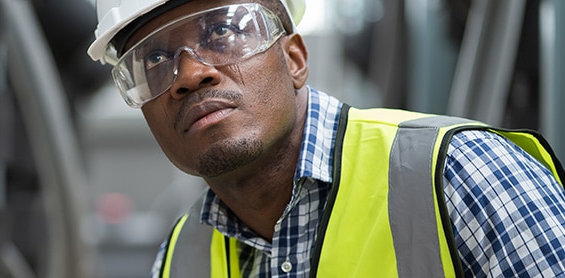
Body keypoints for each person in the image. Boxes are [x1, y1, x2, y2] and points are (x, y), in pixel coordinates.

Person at [85, 0, 565, 277]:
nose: (189, 73)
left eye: (223, 31)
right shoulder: (179, 260)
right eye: (153, 60)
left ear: (294, 59)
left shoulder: (464, 173)